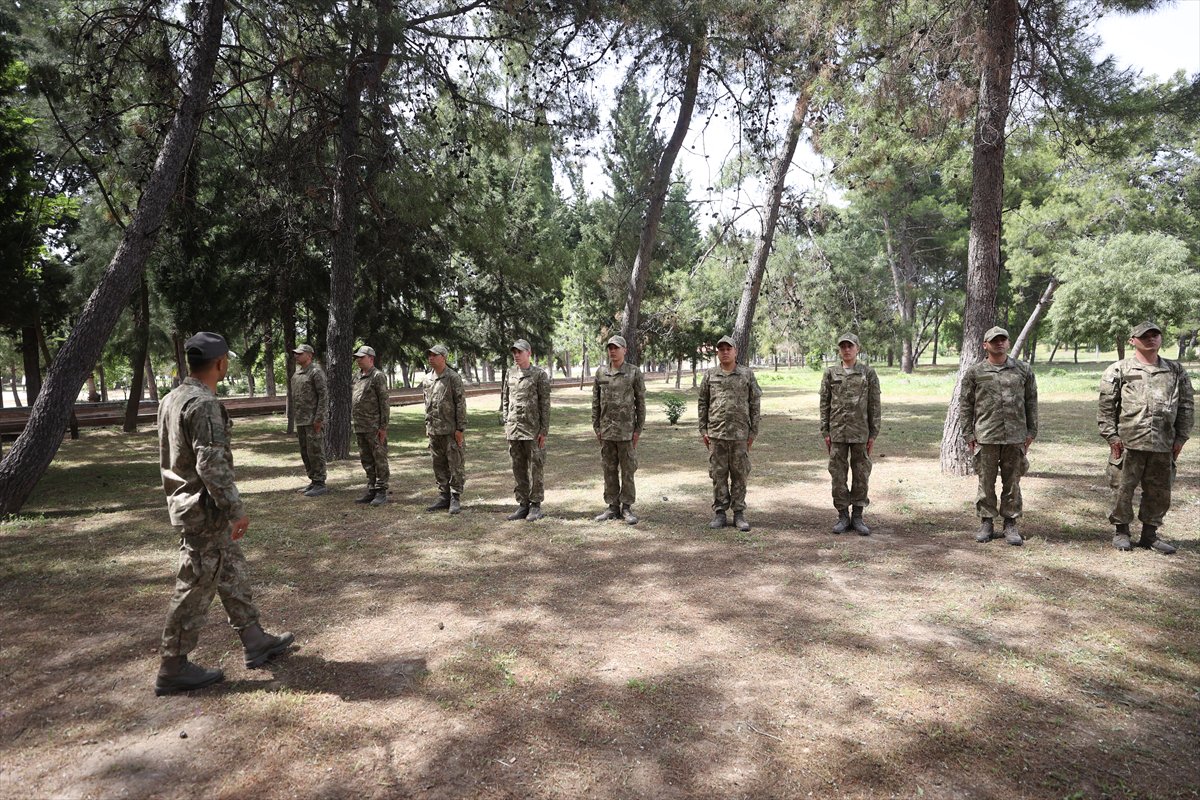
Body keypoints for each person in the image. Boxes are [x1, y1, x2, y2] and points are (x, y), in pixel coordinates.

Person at [155, 332, 293, 696]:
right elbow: (210, 463)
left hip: (190, 504)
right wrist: (235, 509)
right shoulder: (203, 404)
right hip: (203, 510)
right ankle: (173, 665)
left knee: (230, 568)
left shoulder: (172, 398)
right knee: (194, 584)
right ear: (219, 364)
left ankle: (254, 638)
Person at [1098, 321, 1194, 554]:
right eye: (1144, 336)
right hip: (1128, 442)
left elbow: (1186, 405)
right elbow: (1106, 407)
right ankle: (1122, 532)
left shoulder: (1175, 370)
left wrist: (1181, 437)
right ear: (1133, 340)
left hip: (1164, 443)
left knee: (1160, 492)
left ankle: (1150, 535)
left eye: (1155, 335)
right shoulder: (1119, 369)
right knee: (1122, 488)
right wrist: (1111, 436)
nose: (1151, 339)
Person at [959, 326, 1038, 546]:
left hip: (1015, 436)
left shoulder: (1022, 370)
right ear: (985, 345)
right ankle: (986, 522)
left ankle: (1011, 523)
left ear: (1009, 343)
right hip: (986, 436)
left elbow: (1031, 401)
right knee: (986, 481)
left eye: (1003, 339)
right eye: (994, 341)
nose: (999, 343)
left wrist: (1032, 431)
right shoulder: (975, 373)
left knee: (1012, 481)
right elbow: (965, 405)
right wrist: (968, 434)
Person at [697, 335, 762, 532]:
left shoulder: (746, 374)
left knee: (740, 474)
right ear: (718, 352)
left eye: (728, 349)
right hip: (716, 433)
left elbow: (755, 404)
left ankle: (739, 513)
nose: (725, 352)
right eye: (721, 349)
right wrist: (703, 429)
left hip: (740, 434)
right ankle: (720, 513)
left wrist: (753, 432)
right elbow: (703, 403)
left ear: (735, 351)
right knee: (718, 474)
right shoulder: (710, 375)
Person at [819, 333, 881, 535]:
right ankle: (843, 515)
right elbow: (824, 404)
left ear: (857, 349)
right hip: (837, 433)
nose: (846, 349)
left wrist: (873, 433)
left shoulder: (868, 373)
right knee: (838, 475)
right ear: (839, 350)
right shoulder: (831, 373)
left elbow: (874, 404)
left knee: (861, 475)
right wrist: (825, 430)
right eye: (843, 346)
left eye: (850, 346)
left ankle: (858, 516)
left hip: (860, 433)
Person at [592, 335, 646, 524]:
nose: (612, 351)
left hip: (626, 432)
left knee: (628, 470)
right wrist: (596, 427)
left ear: (625, 350)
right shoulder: (601, 373)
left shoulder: (633, 372)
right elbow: (595, 403)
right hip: (607, 431)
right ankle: (612, 507)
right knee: (609, 470)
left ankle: (627, 508)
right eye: (610, 348)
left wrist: (638, 430)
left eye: (616, 348)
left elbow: (640, 403)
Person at [501, 338, 551, 521]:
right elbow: (505, 400)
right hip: (514, 429)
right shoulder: (510, 373)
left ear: (528, 353)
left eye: (519, 352)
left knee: (536, 467)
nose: (516, 355)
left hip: (532, 430)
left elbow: (545, 404)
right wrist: (507, 421)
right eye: (514, 352)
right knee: (518, 467)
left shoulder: (539, 374)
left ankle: (536, 505)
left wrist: (543, 430)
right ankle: (523, 504)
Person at [422, 343, 467, 514]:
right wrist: (428, 426)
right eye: (429, 355)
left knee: (455, 464)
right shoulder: (427, 380)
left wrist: (460, 429)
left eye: (434, 355)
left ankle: (455, 497)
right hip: (434, 431)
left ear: (444, 357)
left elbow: (460, 404)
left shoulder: (453, 377)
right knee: (438, 464)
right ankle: (443, 496)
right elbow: (427, 404)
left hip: (450, 431)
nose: (431, 358)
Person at [351, 345, 390, 506]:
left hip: (374, 426)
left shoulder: (378, 376)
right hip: (360, 426)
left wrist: (383, 427)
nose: (358, 360)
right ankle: (372, 488)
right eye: (357, 357)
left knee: (379, 458)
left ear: (371, 358)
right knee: (366, 459)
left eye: (361, 357)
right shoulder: (357, 377)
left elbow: (384, 402)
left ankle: (381, 490)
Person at [290, 344, 328, 497]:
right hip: (301, 420)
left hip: (313, 420)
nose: (296, 356)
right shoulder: (296, 374)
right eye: (296, 353)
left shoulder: (316, 372)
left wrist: (319, 418)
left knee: (315, 451)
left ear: (309, 355)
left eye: (300, 353)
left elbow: (323, 396)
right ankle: (313, 480)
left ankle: (320, 483)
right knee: (305, 452)